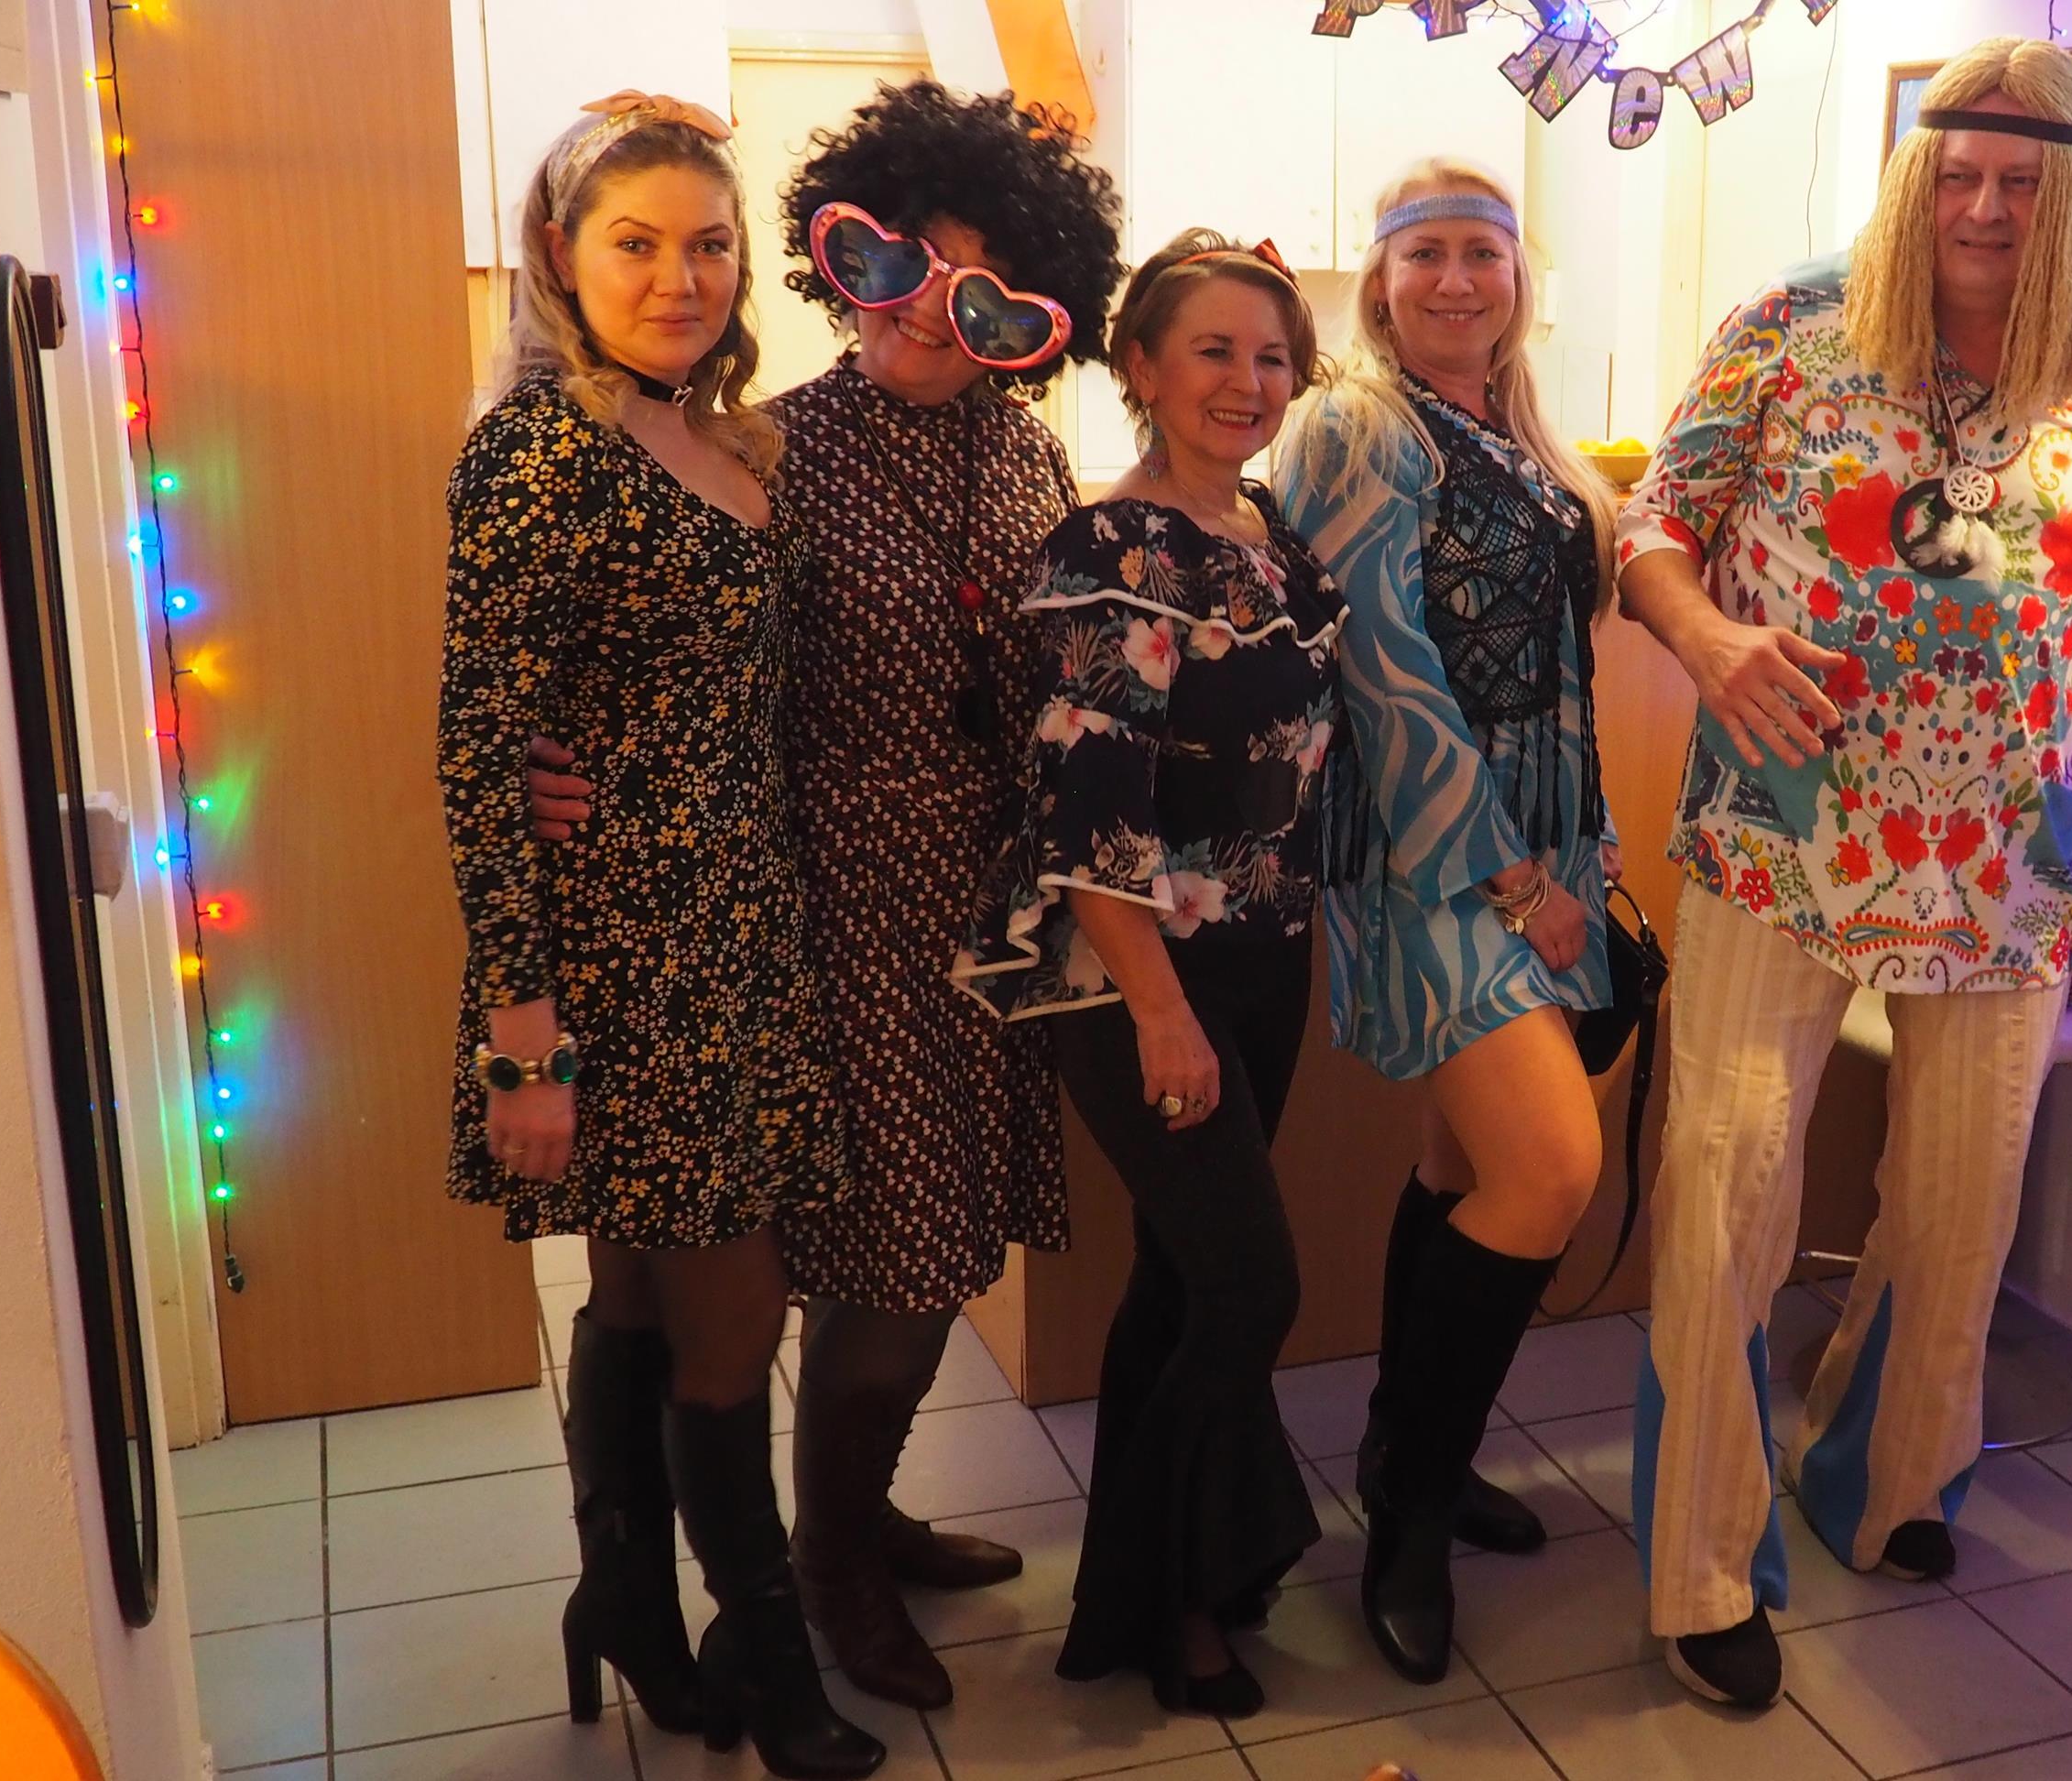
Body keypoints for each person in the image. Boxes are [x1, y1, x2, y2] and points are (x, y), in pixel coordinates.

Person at [1609, 38, 2072, 1710]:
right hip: (1786, 829)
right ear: (1914, 182)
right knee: (1728, 1184)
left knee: (1961, 1205)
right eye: (1956, 176)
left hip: (2011, 850)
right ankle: (1703, 1566)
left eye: (2021, 183)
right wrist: (1709, 640)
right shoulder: (1791, 326)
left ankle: (1884, 1479)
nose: (1983, 208)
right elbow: (1654, 527)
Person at [524, 83, 1126, 1711]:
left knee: (929, 1243)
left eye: (985, 291)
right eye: (903, 263)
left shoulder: (1030, 451)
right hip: (816, 907)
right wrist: (556, 760)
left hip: (980, 912)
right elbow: (646, 662)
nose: (932, 310)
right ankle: (827, 1570)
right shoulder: (765, 449)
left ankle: (855, 1515)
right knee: (876, 1254)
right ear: (840, 258)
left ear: (1034, 317)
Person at [440, 97, 882, 1777]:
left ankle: (622, 1598)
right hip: (625, 956)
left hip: (741, 930)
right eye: (636, 244)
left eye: (708, 244)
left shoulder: (721, 435)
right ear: (560, 256)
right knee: (736, 1312)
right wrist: (522, 1036)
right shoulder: (535, 451)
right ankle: (769, 1666)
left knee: (639, 1284)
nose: (679, 277)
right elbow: (481, 752)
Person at [954, 230, 1345, 1718]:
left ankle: (1127, 1596)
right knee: (1250, 1284)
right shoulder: (1107, 548)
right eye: (1214, 351)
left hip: (1262, 953)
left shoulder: (1271, 537)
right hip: (1138, 976)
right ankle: (1186, 1596)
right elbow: (1088, 808)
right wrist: (1161, 1013)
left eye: (1273, 355)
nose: (1250, 381)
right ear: (1141, 368)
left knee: (1184, 1282)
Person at [1270, 159, 1619, 1685]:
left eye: (1484, 251)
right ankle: (1406, 1513)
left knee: (1463, 1162)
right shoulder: (1356, 421)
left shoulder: (1515, 427)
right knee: (1550, 1171)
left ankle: (1410, 1449)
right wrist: (1517, 881)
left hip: (1537, 835)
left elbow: (1559, 664)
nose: (1458, 280)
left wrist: (1582, 849)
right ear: (1380, 280)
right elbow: (1384, 675)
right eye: (1427, 255)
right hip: (1433, 854)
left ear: (1520, 275)